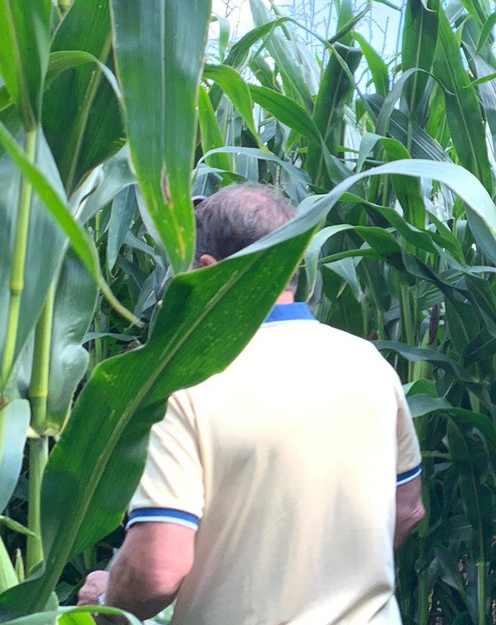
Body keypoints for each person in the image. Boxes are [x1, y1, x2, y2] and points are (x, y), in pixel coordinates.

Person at [78, 183, 425, 624]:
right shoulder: (369, 363)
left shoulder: (183, 384)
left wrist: (109, 597)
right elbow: (408, 509)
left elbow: (157, 569)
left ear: (210, 272)